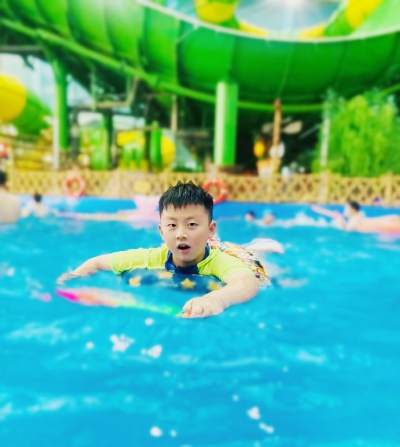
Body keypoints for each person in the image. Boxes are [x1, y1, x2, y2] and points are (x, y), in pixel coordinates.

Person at [57, 181, 271, 318]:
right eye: (172, 225)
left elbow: (246, 283)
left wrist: (215, 300)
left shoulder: (219, 261)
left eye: (192, 224)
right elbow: (98, 262)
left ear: (210, 229)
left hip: (235, 255)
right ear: (161, 231)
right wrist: (75, 275)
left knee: (256, 261)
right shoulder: (153, 257)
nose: (181, 234)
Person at [311, 200, 400, 233]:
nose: (344, 211)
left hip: (388, 222)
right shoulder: (359, 216)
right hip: (390, 219)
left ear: (353, 210)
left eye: (346, 209)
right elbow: (337, 215)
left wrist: (340, 223)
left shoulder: (354, 220)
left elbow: (347, 230)